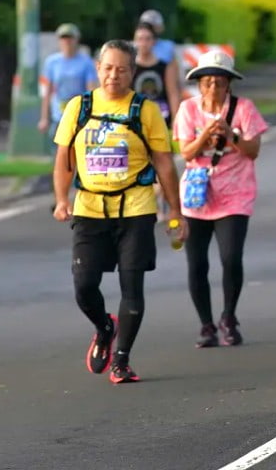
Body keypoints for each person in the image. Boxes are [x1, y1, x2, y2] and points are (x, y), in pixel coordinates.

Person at [52, 39, 187, 384]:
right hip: (89, 209)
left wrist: (175, 211)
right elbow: (64, 161)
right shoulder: (78, 108)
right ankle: (104, 326)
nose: (114, 75)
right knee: (84, 286)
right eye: (108, 68)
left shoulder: (145, 110)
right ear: (98, 69)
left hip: (136, 209)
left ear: (132, 72)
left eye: (122, 69)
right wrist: (62, 199)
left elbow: (164, 164)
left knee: (132, 287)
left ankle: (122, 360)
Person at [174, 49, 268, 347]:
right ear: (199, 84)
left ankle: (229, 316)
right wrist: (205, 137)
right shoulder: (188, 110)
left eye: (219, 82)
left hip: (235, 195)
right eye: (207, 82)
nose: (213, 88)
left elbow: (253, 151)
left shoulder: (244, 109)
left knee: (230, 258)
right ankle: (206, 325)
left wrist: (230, 135)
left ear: (229, 84)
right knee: (197, 264)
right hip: (197, 197)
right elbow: (186, 152)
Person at [38, 23, 97, 137]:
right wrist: (44, 118)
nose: (67, 41)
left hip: (79, 114)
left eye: (70, 38)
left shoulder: (86, 62)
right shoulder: (52, 62)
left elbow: (91, 90)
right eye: (63, 38)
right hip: (58, 114)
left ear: (77, 39)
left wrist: (92, 114)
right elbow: (48, 91)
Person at [132, 22, 181, 126]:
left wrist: (175, 121)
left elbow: (173, 93)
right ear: (135, 41)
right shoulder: (130, 67)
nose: (144, 43)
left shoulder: (165, 67)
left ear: (154, 41)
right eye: (140, 39)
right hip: (136, 118)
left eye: (147, 39)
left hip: (161, 118)